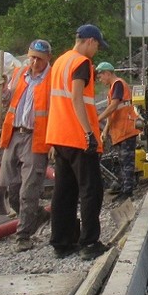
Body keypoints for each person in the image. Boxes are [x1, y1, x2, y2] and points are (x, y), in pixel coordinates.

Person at [46, 24, 107, 259]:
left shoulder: (60, 61)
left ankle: (61, 242)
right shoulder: (81, 63)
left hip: (59, 136)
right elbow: (76, 97)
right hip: (78, 137)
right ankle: (89, 243)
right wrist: (88, 133)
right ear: (89, 41)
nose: (97, 50)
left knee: (64, 191)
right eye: (97, 45)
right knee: (91, 190)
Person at [0, 38, 53, 250]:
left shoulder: (52, 79)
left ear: (48, 58)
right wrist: (2, 88)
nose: (34, 62)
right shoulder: (19, 74)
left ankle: (23, 236)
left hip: (36, 137)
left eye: (39, 59)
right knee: (11, 188)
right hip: (14, 135)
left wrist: (54, 144)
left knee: (28, 190)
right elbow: (6, 101)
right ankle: (37, 216)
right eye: (31, 57)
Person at [96, 61, 142, 197]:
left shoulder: (117, 84)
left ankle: (128, 191)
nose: (100, 79)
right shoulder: (113, 88)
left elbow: (113, 106)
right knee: (122, 162)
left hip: (126, 129)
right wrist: (105, 131)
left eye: (101, 76)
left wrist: (97, 119)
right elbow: (113, 112)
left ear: (107, 73)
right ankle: (124, 189)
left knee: (127, 162)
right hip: (120, 131)